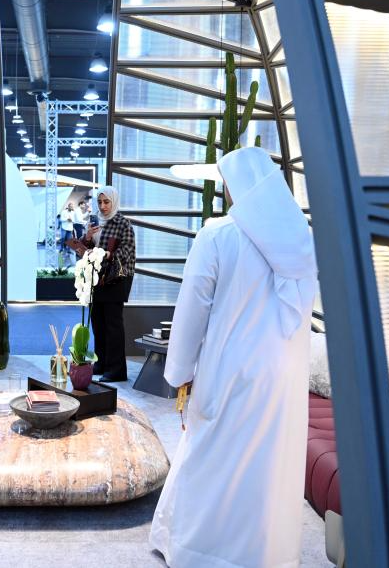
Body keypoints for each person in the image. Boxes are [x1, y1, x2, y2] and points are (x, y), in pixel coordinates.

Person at [149, 147, 317, 567]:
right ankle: (266, 553)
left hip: (229, 371)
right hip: (281, 375)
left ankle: (200, 551)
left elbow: (192, 308)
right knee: (268, 464)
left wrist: (179, 371)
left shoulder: (218, 235)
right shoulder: (301, 240)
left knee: (211, 456)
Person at [81, 186, 136, 383]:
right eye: (100, 202)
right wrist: (87, 238)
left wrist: (107, 254)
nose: (103, 206)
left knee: (113, 325)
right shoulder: (95, 222)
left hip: (115, 278)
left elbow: (127, 250)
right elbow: (86, 250)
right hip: (97, 278)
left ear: (114, 201)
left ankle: (117, 370)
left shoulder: (123, 223)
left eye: (106, 202)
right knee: (98, 323)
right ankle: (101, 363)